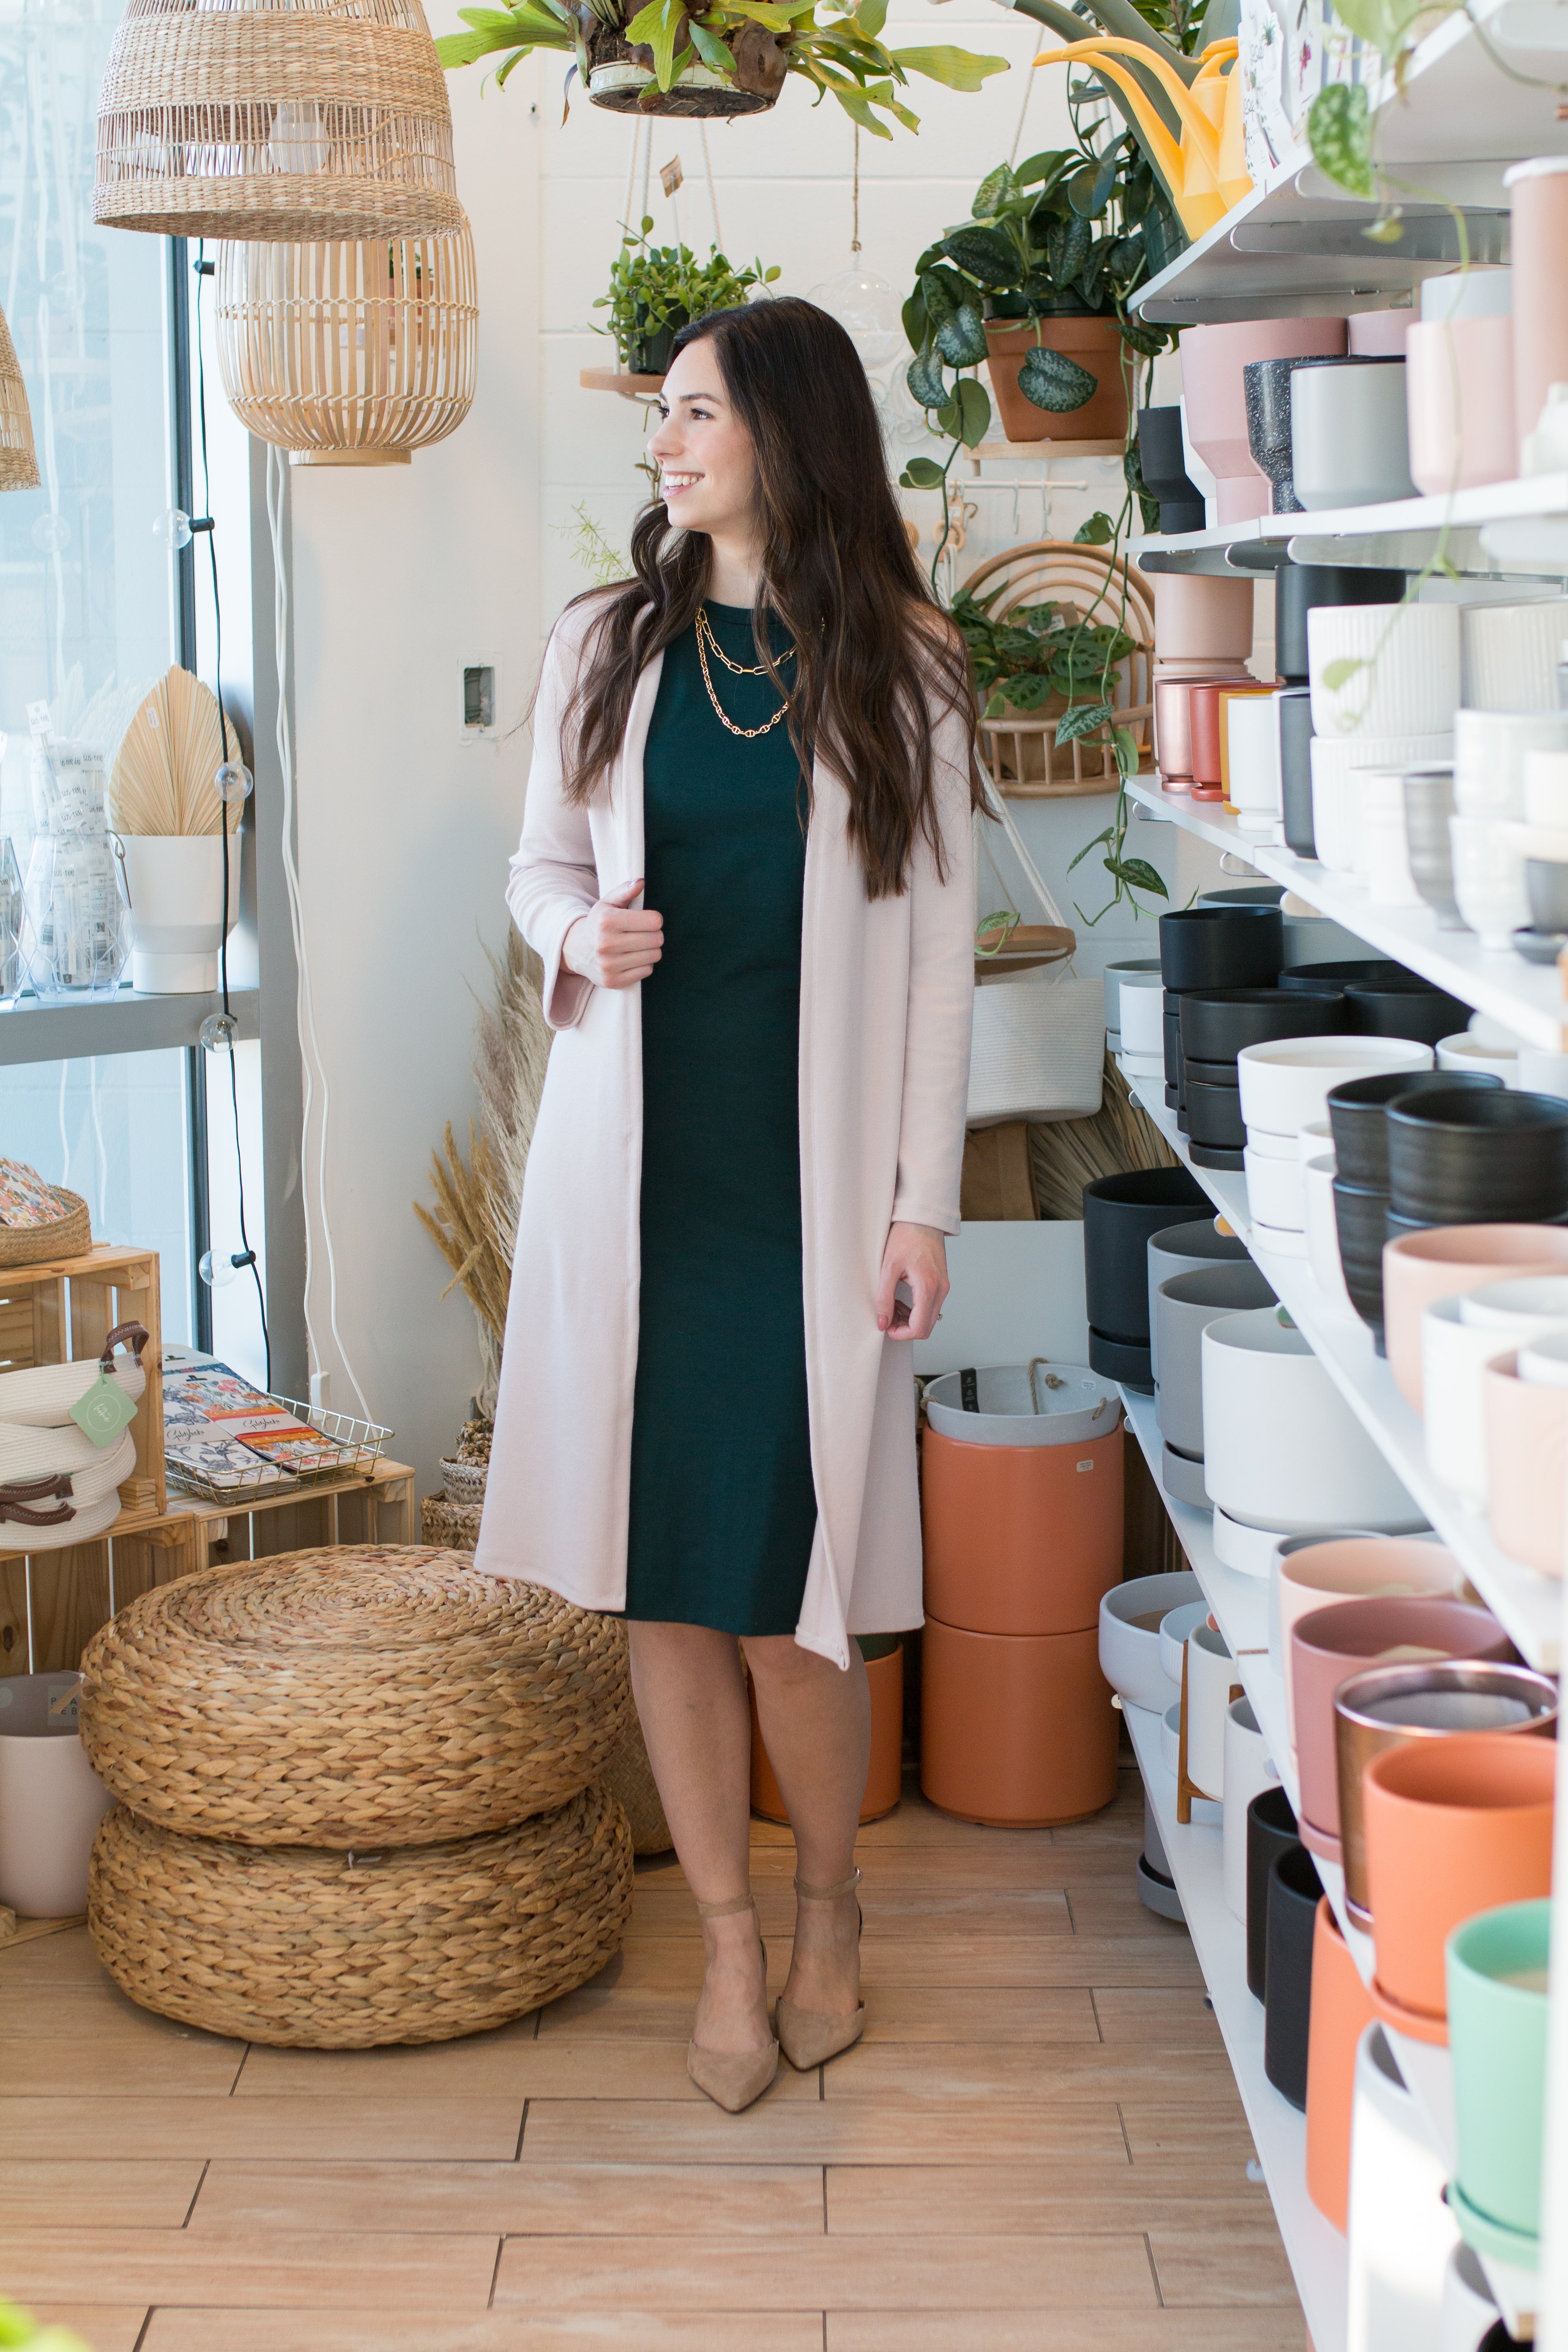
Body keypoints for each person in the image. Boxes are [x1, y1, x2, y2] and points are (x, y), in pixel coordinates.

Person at [479, 294, 979, 2112]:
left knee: (793, 1598)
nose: (667, 446)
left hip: (812, 1196)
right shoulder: (608, 641)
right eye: (663, 421)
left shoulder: (903, 666)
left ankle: (834, 1904)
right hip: (640, 1182)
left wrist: (922, 1202)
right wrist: (576, 935)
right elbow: (538, 868)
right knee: (663, 1590)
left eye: (696, 415)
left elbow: (937, 963)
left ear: (784, 432)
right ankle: (731, 1943)